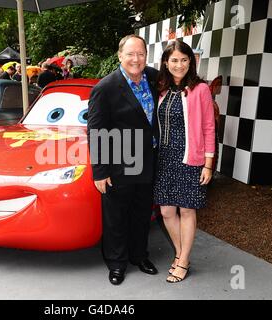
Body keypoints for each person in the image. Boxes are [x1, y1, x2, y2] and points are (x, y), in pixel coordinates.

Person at [87, 34, 160, 286]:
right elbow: (95, 131)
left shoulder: (152, 78)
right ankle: (116, 264)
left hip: (148, 162)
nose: (136, 59)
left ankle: (139, 256)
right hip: (119, 164)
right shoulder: (105, 88)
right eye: (130, 54)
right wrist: (99, 171)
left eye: (140, 54)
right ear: (120, 56)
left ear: (146, 56)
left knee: (142, 214)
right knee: (116, 217)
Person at [153, 40, 215, 283]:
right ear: (166, 63)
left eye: (184, 60)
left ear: (192, 62)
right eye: (174, 60)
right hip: (164, 159)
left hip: (190, 158)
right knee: (167, 211)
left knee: (187, 209)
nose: (179, 65)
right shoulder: (162, 89)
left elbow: (209, 127)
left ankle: (184, 259)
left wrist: (208, 164)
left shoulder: (200, 89)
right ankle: (180, 254)